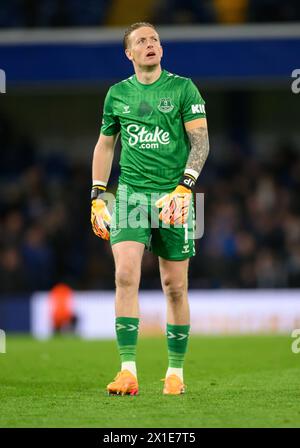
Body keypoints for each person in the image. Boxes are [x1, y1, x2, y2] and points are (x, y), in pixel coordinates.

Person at [91, 22, 209, 395]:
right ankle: (128, 370)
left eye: (155, 39)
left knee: (175, 286)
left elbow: (201, 143)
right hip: (130, 196)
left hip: (174, 198)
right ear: (129, 53)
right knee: (125, 275)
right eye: (141, 41)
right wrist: (97, 194)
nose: (151, 44)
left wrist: (185, 188)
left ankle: (175, 373)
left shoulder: (183, 88)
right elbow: (105, 145)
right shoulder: (116, 95)